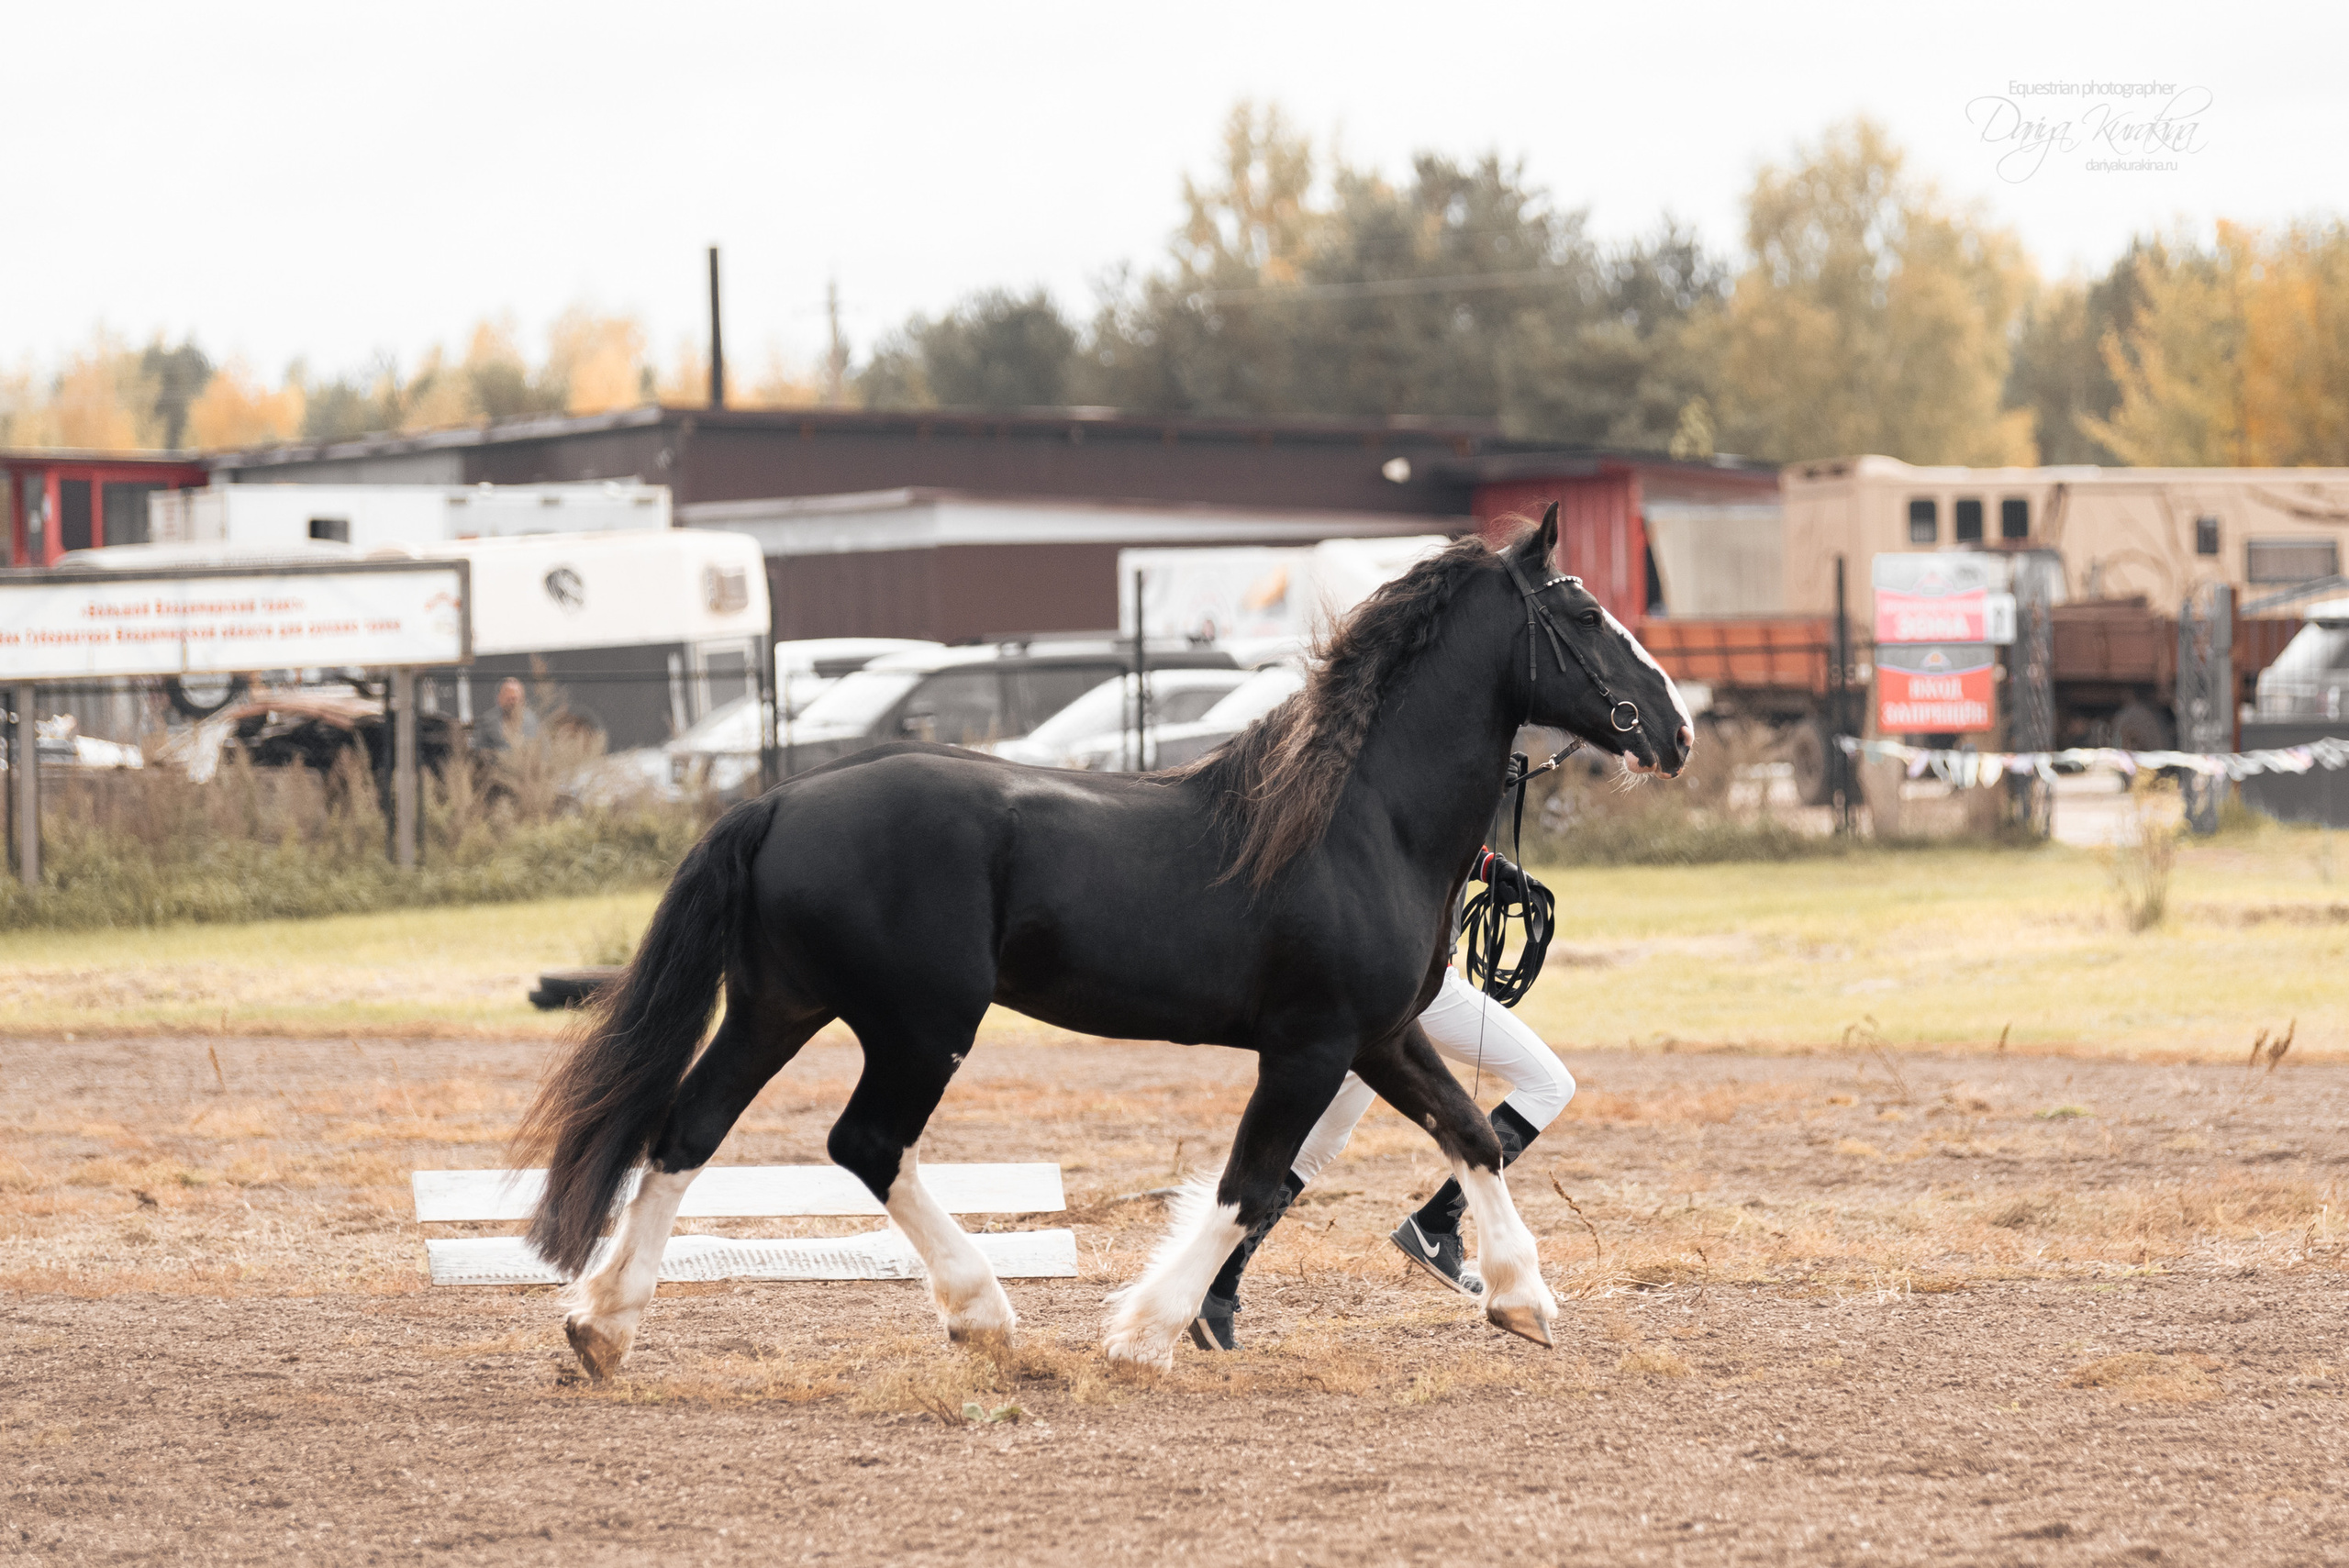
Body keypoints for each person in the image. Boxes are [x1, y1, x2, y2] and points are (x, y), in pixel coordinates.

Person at [1190, 846, 1571, 1351]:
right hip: (1422, 987)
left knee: (1320, 1140)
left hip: (1378, 980)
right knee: (1549, 1083)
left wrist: (1481, 865)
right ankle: (1438, 1223)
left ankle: (1215, 1287)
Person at [474, 677, 540, 752]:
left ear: (523, 700)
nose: (513, 704)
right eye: (509, 699)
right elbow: (477, 749)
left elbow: (542, 749)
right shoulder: (488, 721)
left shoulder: (532, 721)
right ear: (499, 698)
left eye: (515, 699)